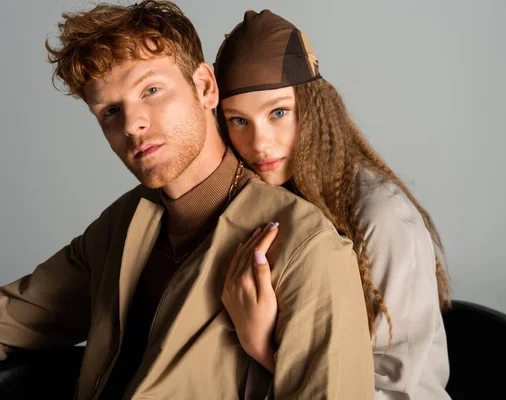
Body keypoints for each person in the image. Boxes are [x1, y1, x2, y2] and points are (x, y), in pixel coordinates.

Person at [0, 2, 375, 399]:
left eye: (151, 90)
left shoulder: (305, 245)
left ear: (205, 88)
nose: (132, 124)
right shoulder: (122, 224)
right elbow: (13, 316)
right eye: (110, 111)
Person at [216, 10, 452, 399]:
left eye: (278, 113)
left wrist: (263, 346)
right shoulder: (256, 202)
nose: (259, 142)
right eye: (238, 121)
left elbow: (398, 392)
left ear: (313, 107)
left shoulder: (381, 217)